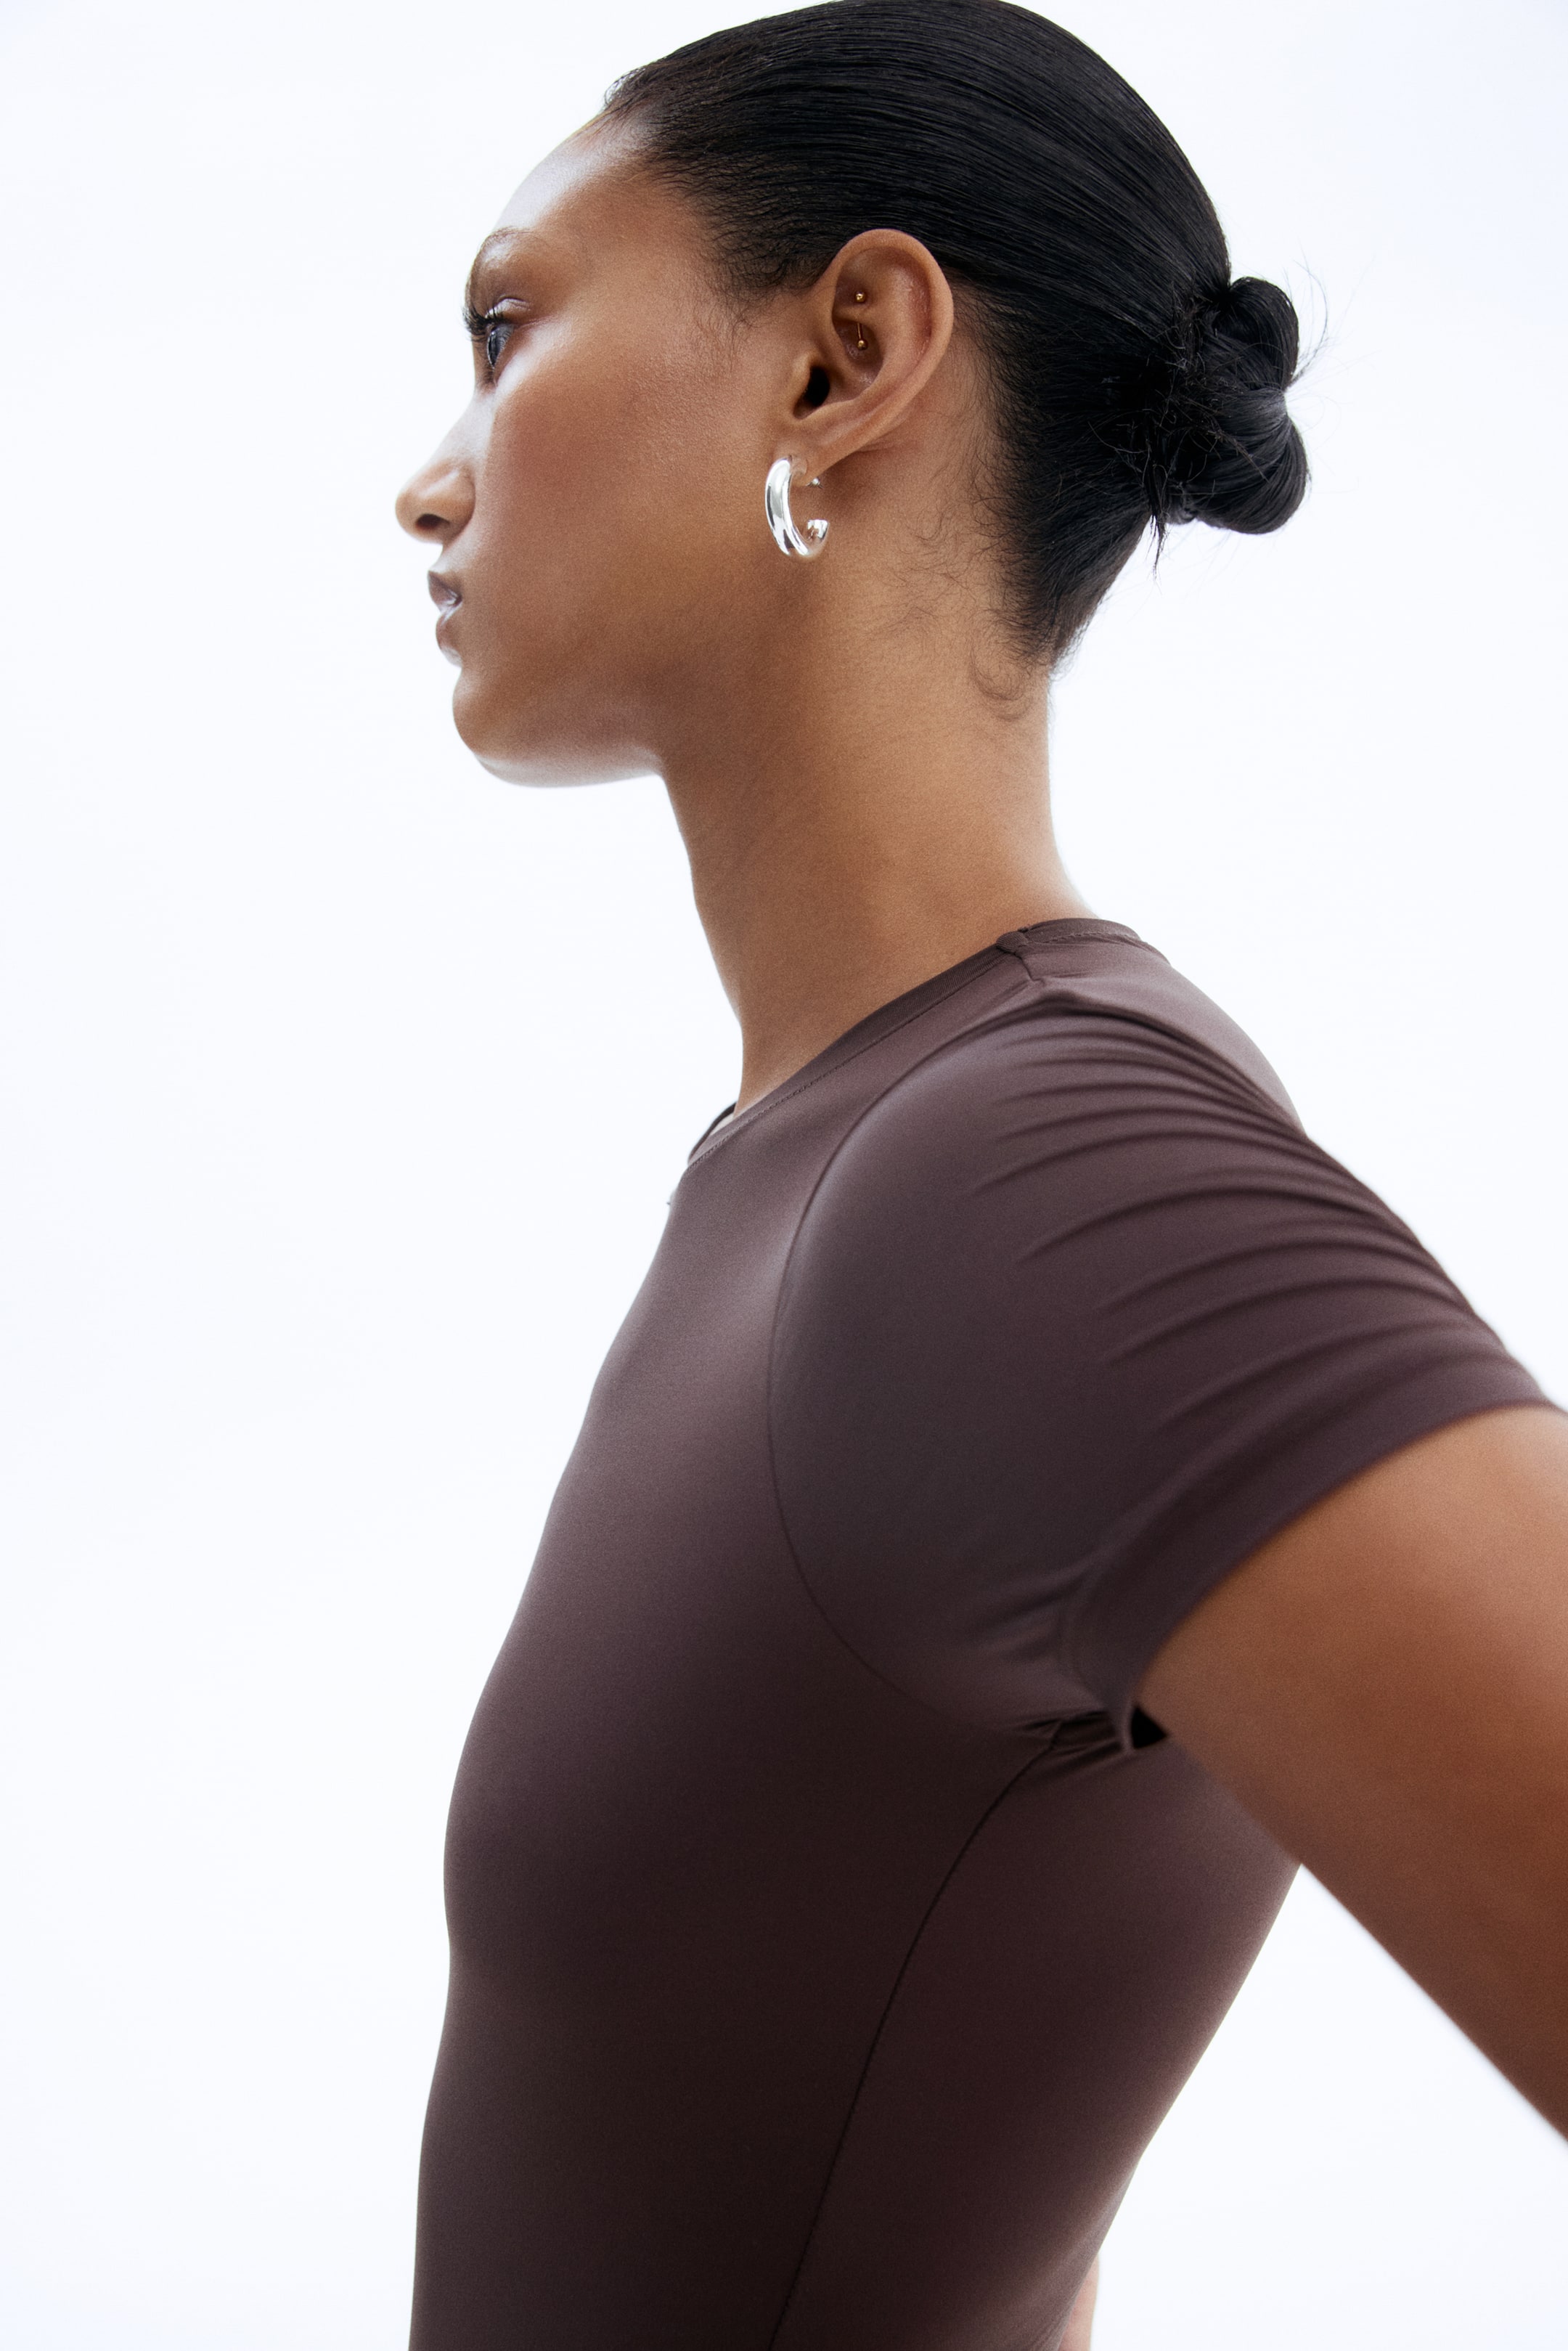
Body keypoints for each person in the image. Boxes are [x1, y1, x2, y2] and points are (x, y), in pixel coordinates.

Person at [393, 4, 1567, 2344]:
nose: (430, 484)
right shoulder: (846, 1161)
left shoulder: (1023, 1183)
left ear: (847, 357)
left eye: (507, 329)